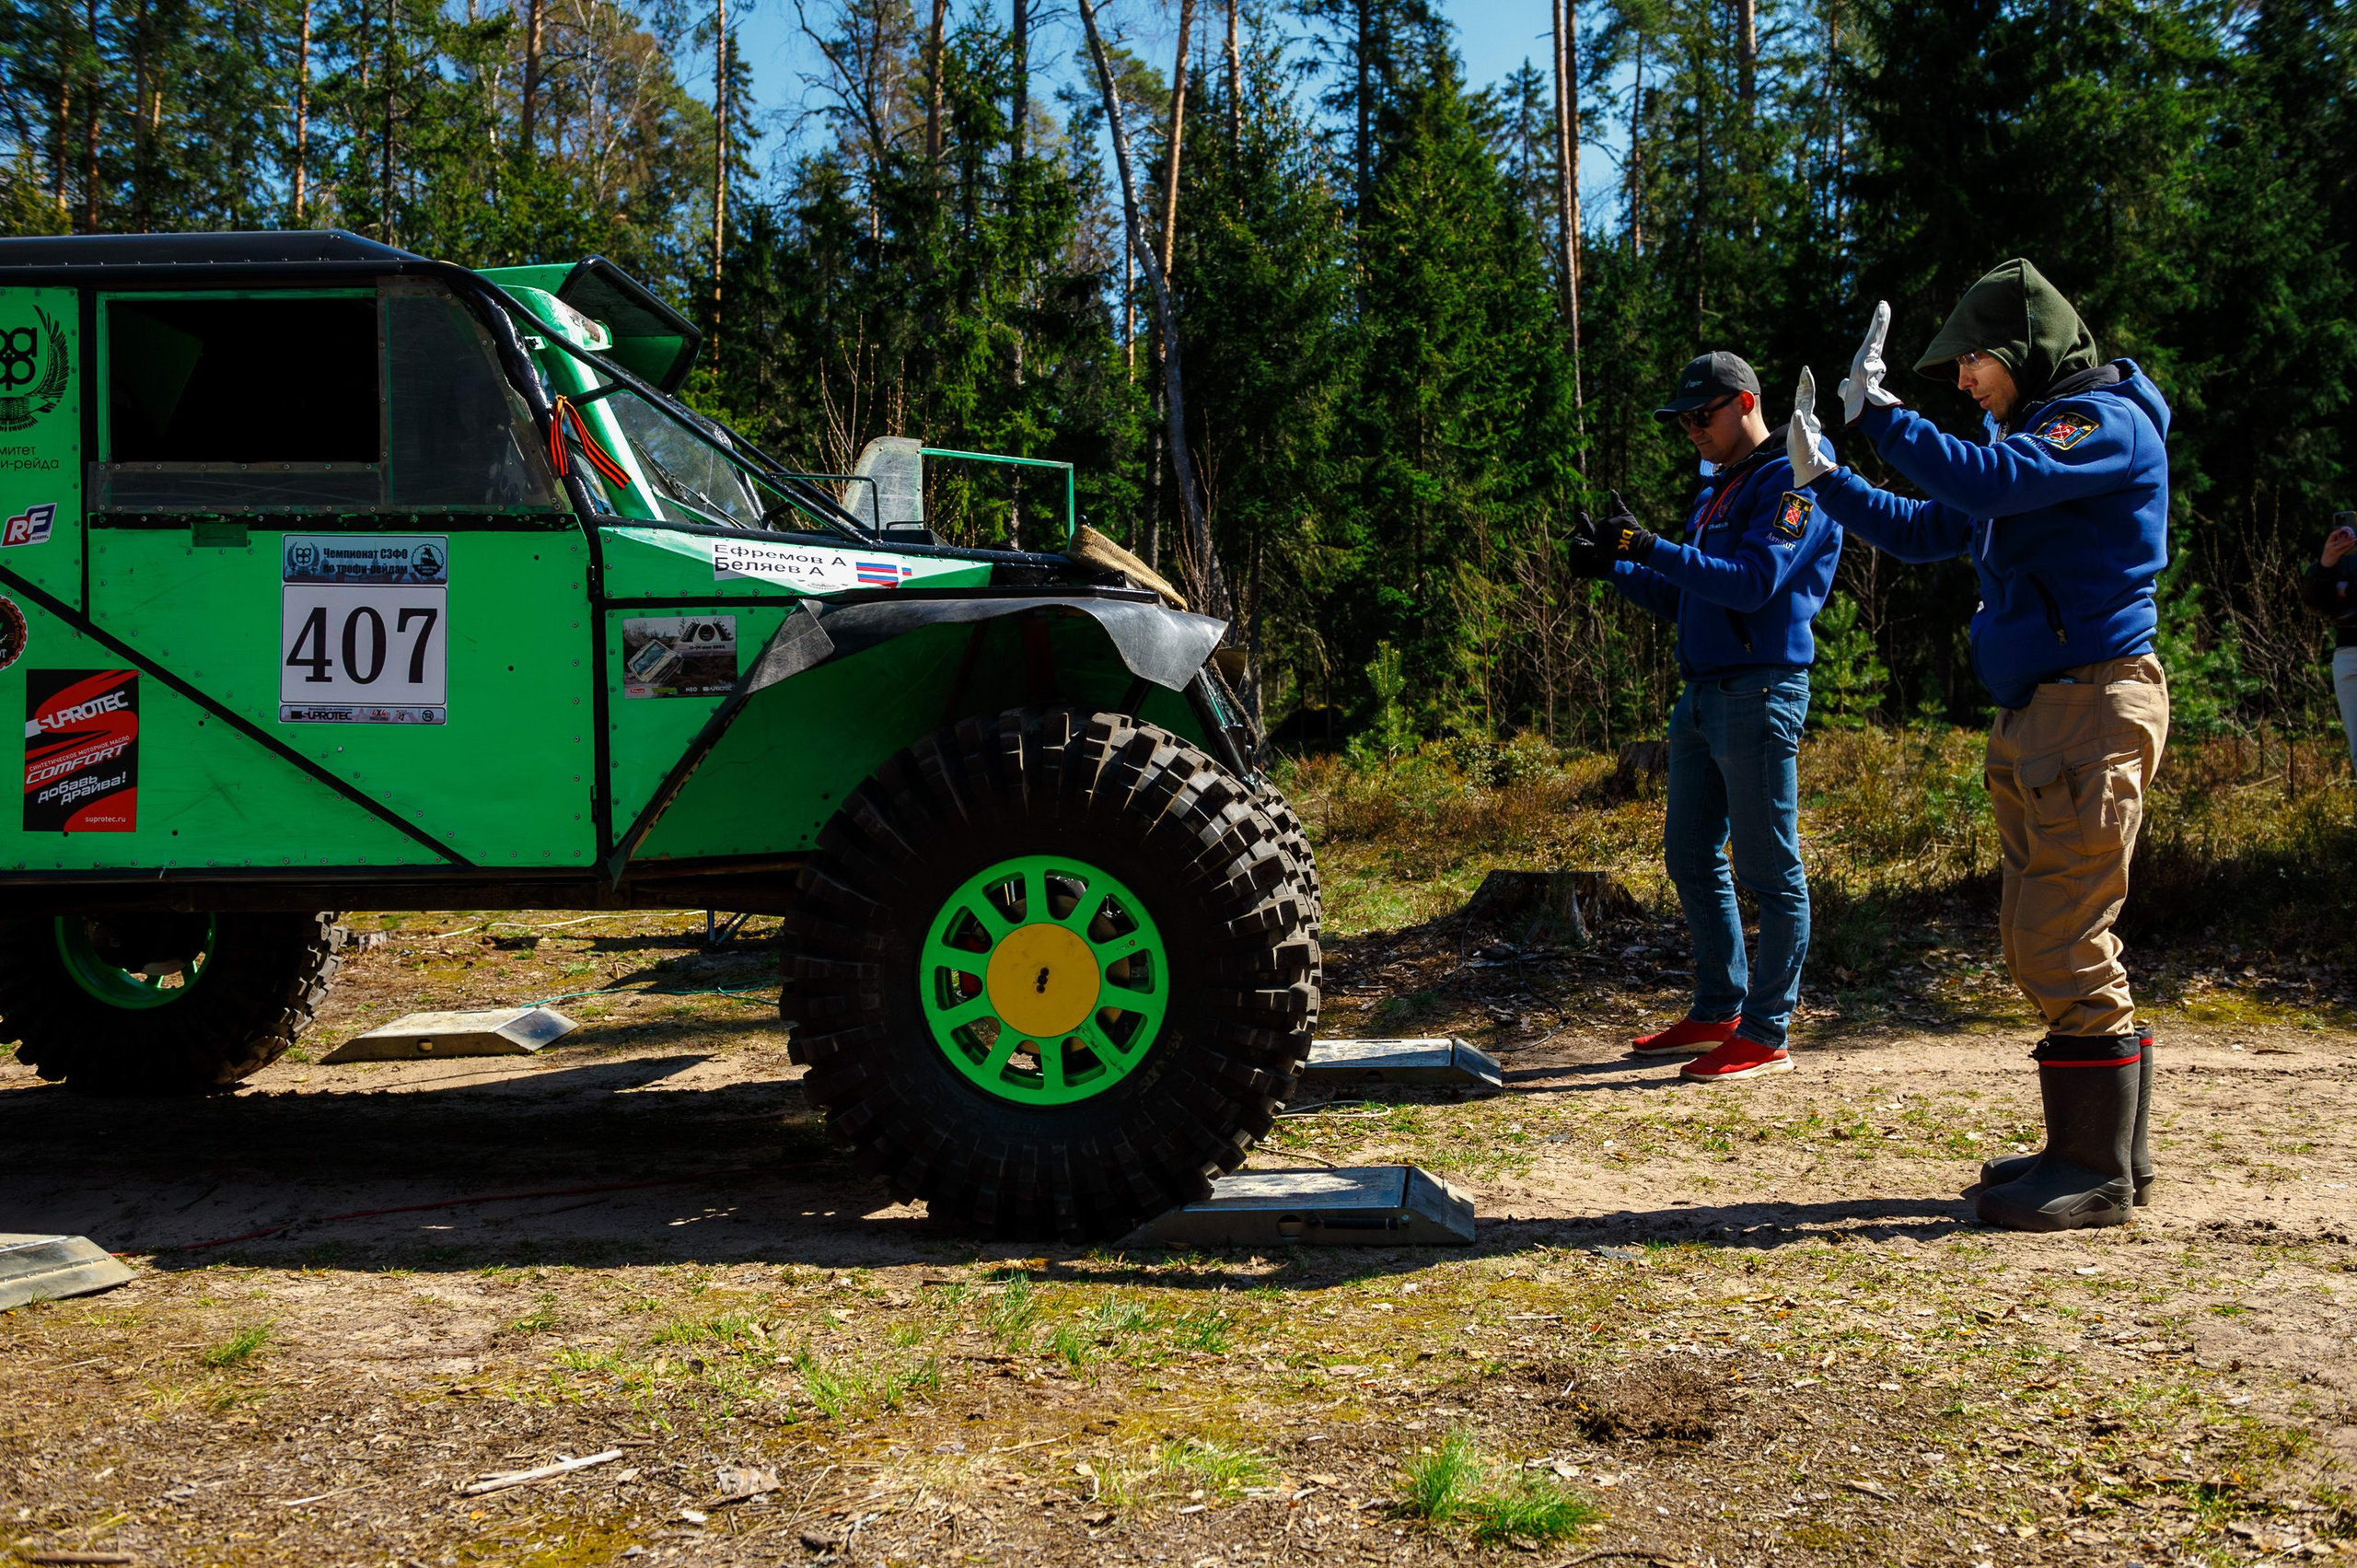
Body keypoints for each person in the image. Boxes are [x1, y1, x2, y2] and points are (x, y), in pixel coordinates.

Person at [1784, 258, 2168, 1233]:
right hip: (2049, 710)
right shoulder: (2031, 439)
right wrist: (1828, 482)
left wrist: (1880, 417)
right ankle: (2103, 1153)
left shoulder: (2097, 426)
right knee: (2042, 931)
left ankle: (2094, 1168)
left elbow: (1991, 480)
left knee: (2059, 935)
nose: (1961, 380)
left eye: (1973, 360)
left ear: (2027, 348)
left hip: (2089, 706)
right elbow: (1932, 527)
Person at [1568, 351, 1842, 1083]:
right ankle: (1719, 1007)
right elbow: (1688, 598)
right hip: (1701, 698)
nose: (1691, 428)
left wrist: (1649, 547)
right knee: (1689, 854)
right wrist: (1618, 566)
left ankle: (1766, 1029)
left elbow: (1754, 584)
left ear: (1745, 401)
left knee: (1768, 867)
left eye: (1702, 414)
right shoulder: (1718, 490)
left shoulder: (1797, 474)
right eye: (1682, 419)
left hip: (1759, 693)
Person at [2299, 514, 2357, 774]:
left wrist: (2345, 590)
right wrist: (2326, 564)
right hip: (2347, 653)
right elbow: (2315, 603)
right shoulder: (2344, 556)